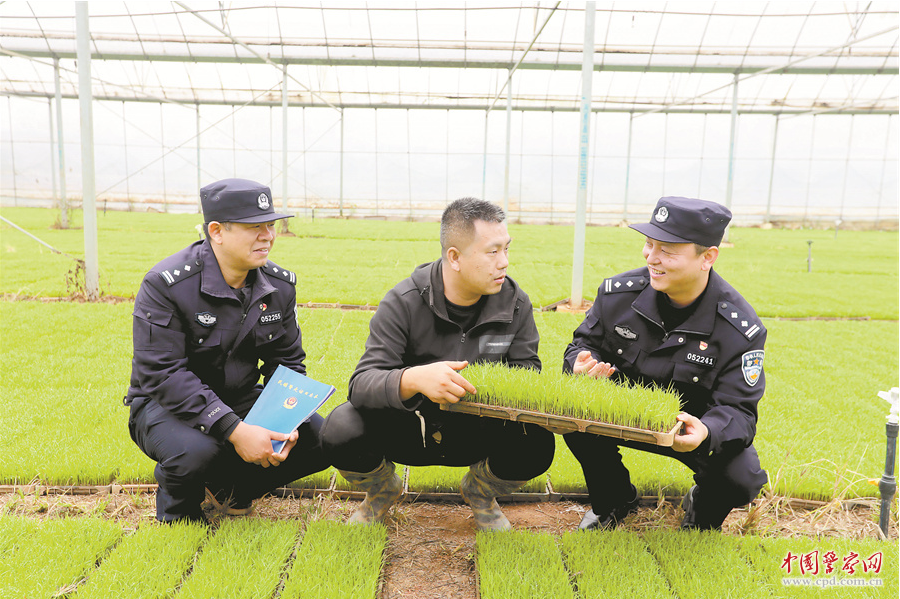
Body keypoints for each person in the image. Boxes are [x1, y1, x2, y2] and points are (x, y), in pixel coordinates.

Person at [321, 197, 555, 531]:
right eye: (492, 252)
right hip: (409, 429)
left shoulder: (515, 304)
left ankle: (481, 491)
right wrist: (414, 379)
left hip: (477, 431)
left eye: (507, 249)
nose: (503, 262)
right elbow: (361, 384)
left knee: (537, 440)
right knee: (340, 428)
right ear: (455, 257)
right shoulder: (403, 302)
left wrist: (475, 388)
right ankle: (382, 490)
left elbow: (527, 372)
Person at [125, 178, 330, 523]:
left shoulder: (278, 286)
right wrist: (235, 430)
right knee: (196, 452)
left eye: (271, 225)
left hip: (239, 396)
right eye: (255, 227)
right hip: (167, 406)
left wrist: (287, 416)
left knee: (323, 438)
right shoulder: (167, 285)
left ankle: (232, 488)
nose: (268, 235)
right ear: (217, 231)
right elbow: (163, 374)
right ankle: (179, 509)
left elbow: (288, 361)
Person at [563, 196, 768, 531]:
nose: (651, 257)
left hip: (688, 432)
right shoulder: (617, 296)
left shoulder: (738, 329)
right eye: (649, 244)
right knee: (572, 419)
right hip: (621, 417)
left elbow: (740, 411)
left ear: (708, 257)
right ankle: (615, 501)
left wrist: (706, 431)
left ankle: (702, 511)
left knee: (742, 477)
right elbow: (583, 344)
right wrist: (581, 364)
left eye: (668, 250)